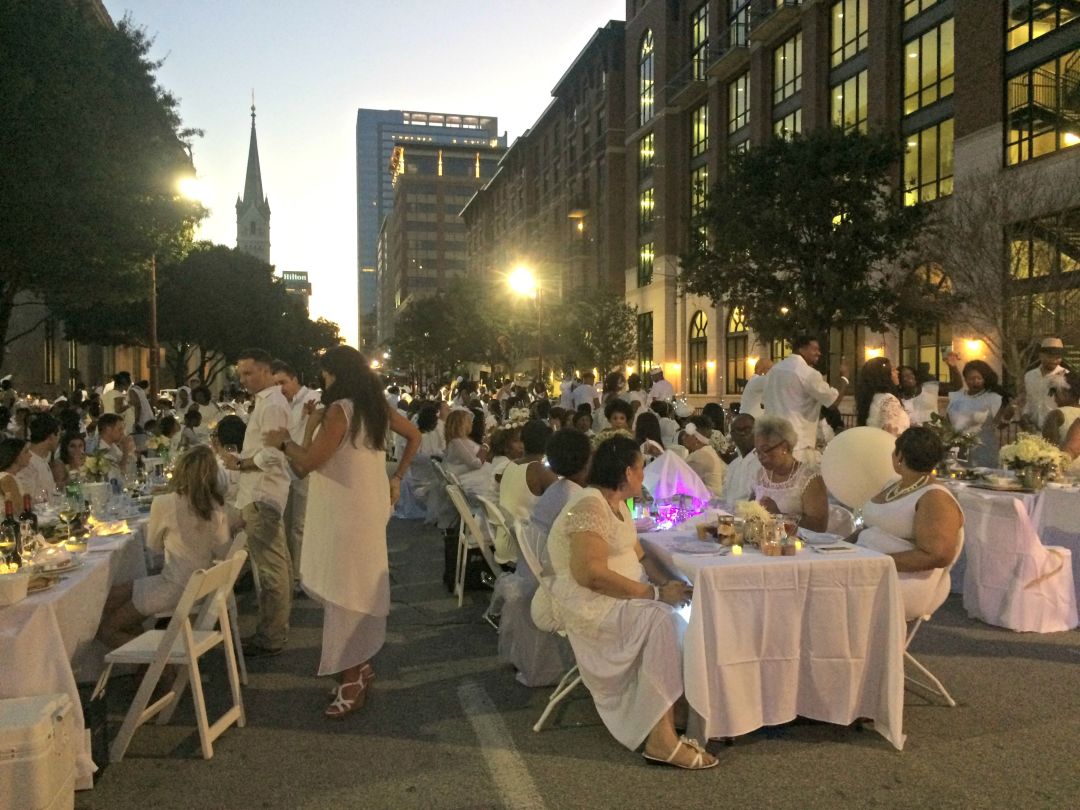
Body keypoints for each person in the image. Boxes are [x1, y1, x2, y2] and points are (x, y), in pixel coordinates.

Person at [265, 345, 420, 719]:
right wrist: (396, 477)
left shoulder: (341, 410)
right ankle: (359, 666)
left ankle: (352, 678)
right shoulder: (373, 408)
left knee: (344, 592)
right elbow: (415, 436)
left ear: (337, 374)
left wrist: (284, 442)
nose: (323, 381)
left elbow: (308, 463)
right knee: (355, 587)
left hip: (345, 514)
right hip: (365, 510)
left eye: (326, 374)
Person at [543, 435, 714, 769]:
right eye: (640, 468)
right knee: (662, 621)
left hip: (621, 594)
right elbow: (589, 574)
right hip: (593, 604)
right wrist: (654, 594)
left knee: (684, 612)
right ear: (626, 472)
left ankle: (675, 708)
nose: (643, 474)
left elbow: (640, 556)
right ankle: (661, 738)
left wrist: (667, 583)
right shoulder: (589, 506)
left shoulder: (616, 504)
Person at [97, 446, 231, 649]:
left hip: (174, 588)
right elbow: (222, 548)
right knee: (111, 598)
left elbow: (154, 547)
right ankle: (149, 664)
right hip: (201, 587)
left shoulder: (164, 502)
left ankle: (161, 667)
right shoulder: (216, 507)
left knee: (106, 628)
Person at [221, 348, 293, 658]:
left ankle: (272, 635)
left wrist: (241, 464)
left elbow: (274, 454)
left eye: (249, 373)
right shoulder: (267, 402)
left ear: (266, 371)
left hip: (262, 494)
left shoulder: (273, 404)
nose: (244, 380)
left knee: (270, 570)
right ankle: (274, 631)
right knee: (276, 566)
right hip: (260, 493)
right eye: (241, 375)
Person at [852, 427, 964, 619]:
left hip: (901, 580)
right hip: (867, 568)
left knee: (823, 589)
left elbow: (938, 555)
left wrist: (877, 562)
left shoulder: (934, 497)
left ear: (900, 456)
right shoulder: (893, 485)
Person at [272, 360, 323, 593]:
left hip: (304, 466)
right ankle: (291, 573)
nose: (280, 388)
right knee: (286, 523)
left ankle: (301, 577)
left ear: (295, 379)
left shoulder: (313, 399)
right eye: (276, 384)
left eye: (283, 382)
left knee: (299, 525)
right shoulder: (283, 403)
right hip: (284, 469)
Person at [763, 335, 848, 463]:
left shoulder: (774, 371)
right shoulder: (807, 373)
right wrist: (844, 379)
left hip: (772, 443)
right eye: (815, 349)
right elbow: (833, 402)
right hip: (797, 445)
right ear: (801, 349)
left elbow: (765, 403)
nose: (819, 353)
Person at [751, 415, 828, 531]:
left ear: (785, 448)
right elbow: (750, 509)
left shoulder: (809, 478)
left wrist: (779, 515)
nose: (760, 457)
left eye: (765, 450)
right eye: (758, 452)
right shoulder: (761, 475)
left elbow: (818, 527)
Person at [497, 420, 556, 563]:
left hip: (504, 540)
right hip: (523, 548)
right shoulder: (540, 471)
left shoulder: (510, 466)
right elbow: (562, 502)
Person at [945, 358, 1010, 468]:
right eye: (970, 378)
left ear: (985, 378)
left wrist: (1009, 414)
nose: (974, 381)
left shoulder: (993, 398)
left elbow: (999, 425)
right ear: (965, 379)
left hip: (982, 450)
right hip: (957, 450)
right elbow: (947, 421)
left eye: (978, 378)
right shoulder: (957, 397)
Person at [530, 428, 592, 539]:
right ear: (587, 461)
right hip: (549, 552)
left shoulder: (555, 488)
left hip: (534, 547)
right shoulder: (577, 498)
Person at [1021, 337, 1067, 432]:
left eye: (1058, 357)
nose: (1054, 360)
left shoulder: (1067, 376)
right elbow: (1030, 400)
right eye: (1050, 356)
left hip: (1058, 432)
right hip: (1034, 432)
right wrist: (1025, 415)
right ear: (1040, 355)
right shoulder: (1030, 376)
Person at [856, 357, 910, 437]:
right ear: (885, 376)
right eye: (893, 370)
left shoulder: (873, 397)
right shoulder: (888, 400)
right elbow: (893, 431)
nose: (897, 372)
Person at [16, 413, 59, 500]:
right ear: (50, 437)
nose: (59, 439)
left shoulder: (41, 459)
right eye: (58, 435)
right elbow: (30, 499)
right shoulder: (26, 462)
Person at [721, 413, 762, 504]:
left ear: (757, 431)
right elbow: (724, 497)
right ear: (732, 435)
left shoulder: (763, 462)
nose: (743, 434)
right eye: (739, 430)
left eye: (747, 429)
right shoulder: (733, 465)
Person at [680, 417, 726, 497]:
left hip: (708, 502)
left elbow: (680, 479)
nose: (683, 438)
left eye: (686, 435)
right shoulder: (708, 450)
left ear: (696, 438)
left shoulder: (700, 455)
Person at [1043, 371, 1080, 447]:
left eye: (1056, 393)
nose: (1054, 398)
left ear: (1066, 392)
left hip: (1065, 458)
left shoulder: (1056, 415)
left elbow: (1050, 449)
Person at [96, 413, 135, 483]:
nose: (122, 433)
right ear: (108, 430)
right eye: (120, 429)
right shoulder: (100, 450)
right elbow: (120, 472)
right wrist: (126, 450)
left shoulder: (113, 445)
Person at [0, 438, 30, 506]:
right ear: (16, 456)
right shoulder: (7, 478)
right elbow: (18, 509)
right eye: (26, 452)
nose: (30, 455)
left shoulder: (11, 476)